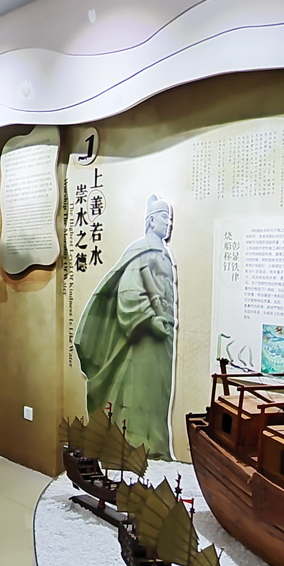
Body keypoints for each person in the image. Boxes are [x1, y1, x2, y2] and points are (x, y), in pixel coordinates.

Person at [73, 194, 178, 458]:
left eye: (170, 219)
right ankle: (137, 448)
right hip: (145, 339)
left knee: (158, 396)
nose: (168, 223)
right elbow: (130, 292)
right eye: (164, 217)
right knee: (140, 394)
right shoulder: (142, 251)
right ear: (151, 220)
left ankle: (156, 448)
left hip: (163, 340)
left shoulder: (163, 255)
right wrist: (150, 319)